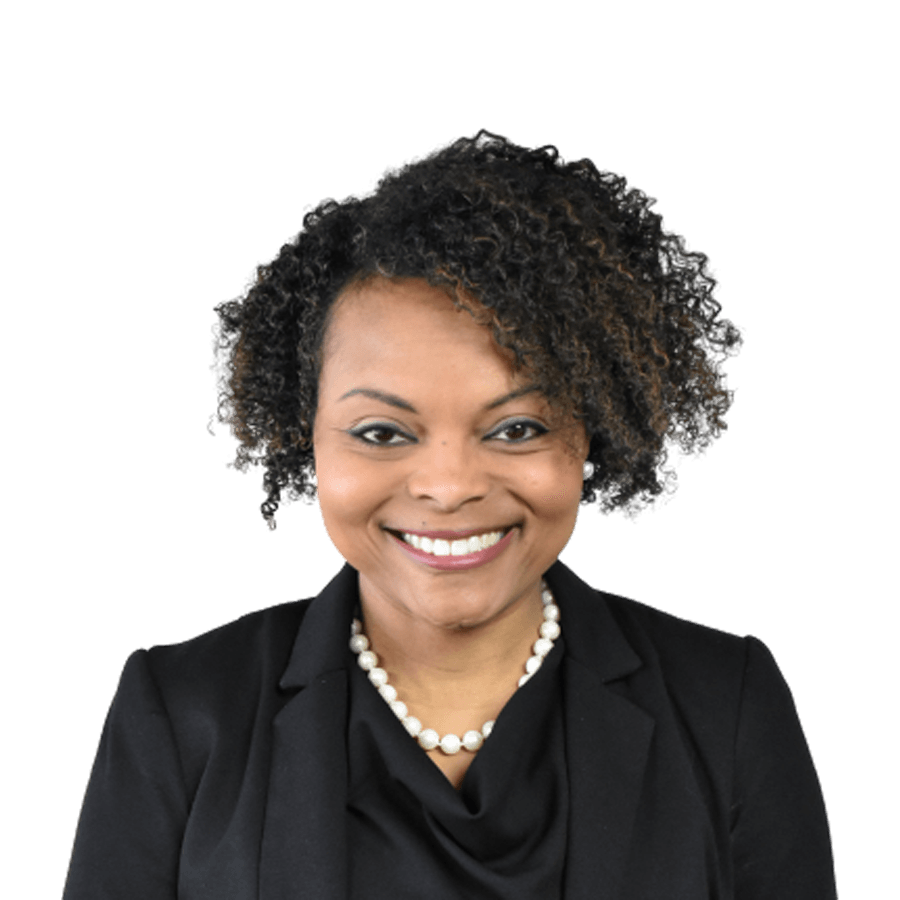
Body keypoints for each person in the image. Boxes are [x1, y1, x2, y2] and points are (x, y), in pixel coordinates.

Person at [63, 130, 837, 898]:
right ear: (306, 436)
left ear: (594, 432)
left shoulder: (727, 703)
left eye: (516, 428)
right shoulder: (180, 712)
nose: (448, 485)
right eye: (381, 432)